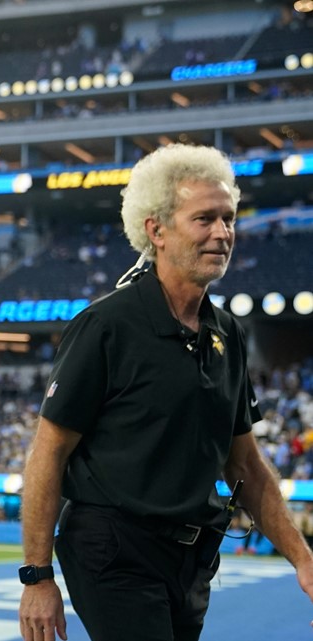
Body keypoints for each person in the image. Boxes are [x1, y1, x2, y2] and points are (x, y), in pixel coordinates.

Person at [18, 144, 313, 641]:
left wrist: (305, 560)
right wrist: (37, 576)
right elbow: (48, 452)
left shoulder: (229, 334)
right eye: (204, 219)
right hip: (113, 549)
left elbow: (244, 465)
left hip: (192, 558)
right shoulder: (105, 325)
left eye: (228, 219)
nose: (223, 233)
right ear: (156, 230)